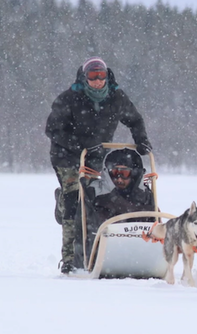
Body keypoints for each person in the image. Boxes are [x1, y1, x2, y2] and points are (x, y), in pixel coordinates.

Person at [45, 56, 153, 274]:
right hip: (67, 156)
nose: (97, 81)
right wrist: (81, 145)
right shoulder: (70, 98)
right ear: (84, 78)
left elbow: (135, 119)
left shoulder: (116, 97)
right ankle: (69, 259)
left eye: (101, 76)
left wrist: (141, 140)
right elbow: (52, 130)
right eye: (93, 76)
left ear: (107, 77)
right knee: (74, 199)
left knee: (94, 200)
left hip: (95, 158)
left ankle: (95, 249)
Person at [93, 148, 155, 221]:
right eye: (115, 173)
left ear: (134, 175)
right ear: (108, 173)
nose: (119, 179)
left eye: (124, 174)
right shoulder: (95, 192)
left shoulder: (145, 196)